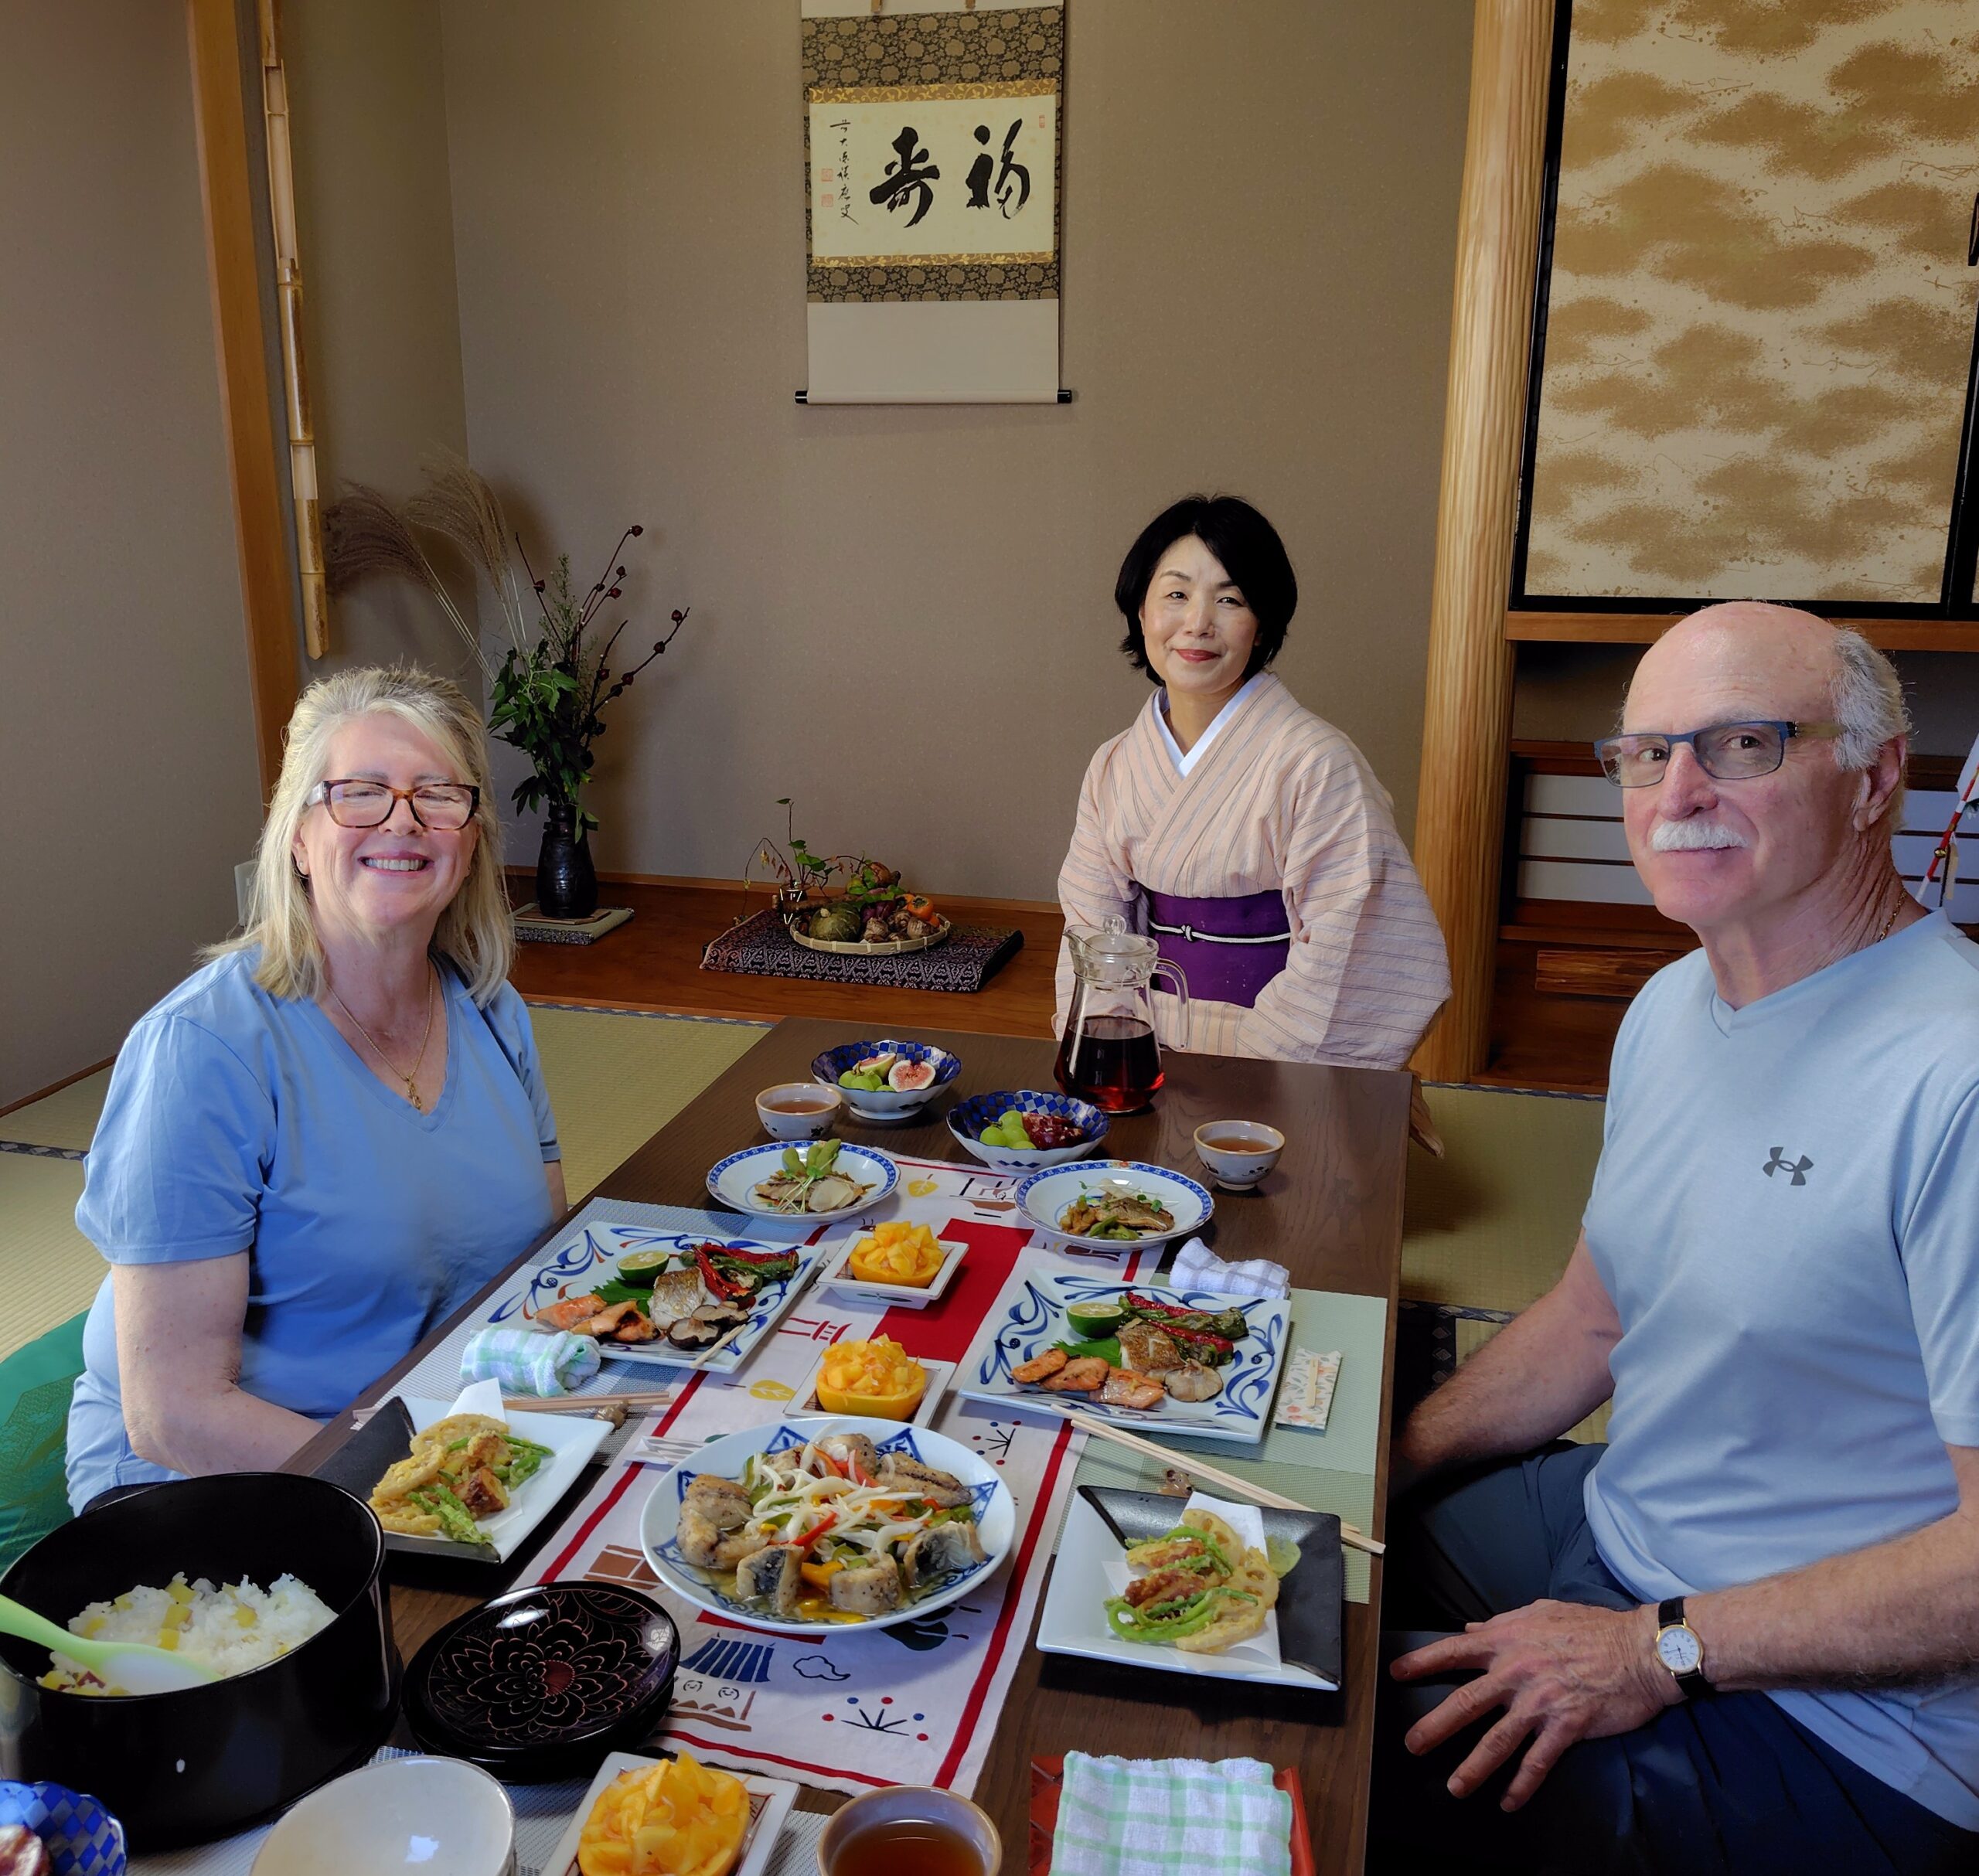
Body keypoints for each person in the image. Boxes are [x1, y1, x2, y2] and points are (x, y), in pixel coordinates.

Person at [1372, 604, 1979, 1874]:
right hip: (1620, 1519)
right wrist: (1387, 1462)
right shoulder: (1668, 1005)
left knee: (1319, 1742)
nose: (1678, 792)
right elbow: (1595, 1313)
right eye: (1646, 754)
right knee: (1271, 1559)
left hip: (1839, 1720)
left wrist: (1657, 1648)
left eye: (1742, 743)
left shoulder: (1955, 1074)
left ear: (1876, 779)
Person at [66, 666, 565, 1510]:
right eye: (359, 793)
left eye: (437, 794)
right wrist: (422, 1489)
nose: (403, 820)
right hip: (217, 1481)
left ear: (471, 838)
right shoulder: (203, 1049)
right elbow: (174, 1416)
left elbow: (539, 1265)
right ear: (297, 836)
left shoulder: (491, 1009)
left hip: (433, 1437)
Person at [1055, 495, 1449, 1067]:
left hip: (1277, 1055)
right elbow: (1093, 930)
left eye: (1230, 599)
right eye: (1176, 595)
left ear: (1262, 625)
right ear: (1141, 612)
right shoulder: (1113, 765)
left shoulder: (1317, 764)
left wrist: (1253, 1072)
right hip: (1143, 1042)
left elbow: (1349, 948)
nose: (1198, 623)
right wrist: (1117, 1044)